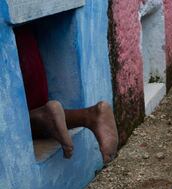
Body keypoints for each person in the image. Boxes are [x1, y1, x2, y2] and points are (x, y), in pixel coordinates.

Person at [14, 25, 118, 164]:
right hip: (25, 43)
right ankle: (89, 115)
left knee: (20, 124)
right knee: (31, 112)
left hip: (9, 56)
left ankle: (43, 115)